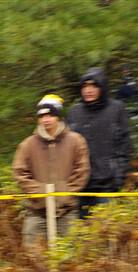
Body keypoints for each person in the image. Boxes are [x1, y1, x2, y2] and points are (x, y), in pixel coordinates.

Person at [12, 95, 90, 247]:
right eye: (42, 116)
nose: (46, 119)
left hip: (67, 212)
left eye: (50, 115)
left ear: (58, 117)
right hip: (37, 213)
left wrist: (64, 193)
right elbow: (19, 172)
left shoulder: (76, 141)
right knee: (33, 259)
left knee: (71, 259)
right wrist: (40, 192)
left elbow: (82, 171)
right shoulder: (27, 145)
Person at [67, 68, 131, 218]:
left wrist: (119, 174)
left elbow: (125, 145)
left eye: (93, 86)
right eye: (85, 86)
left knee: (107, 230)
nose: (88, 90)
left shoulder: (116, 109)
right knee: (82, 231)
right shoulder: (74, 112)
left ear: (102, 87)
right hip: (81, 183)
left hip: (108, 182)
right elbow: (66, 147)